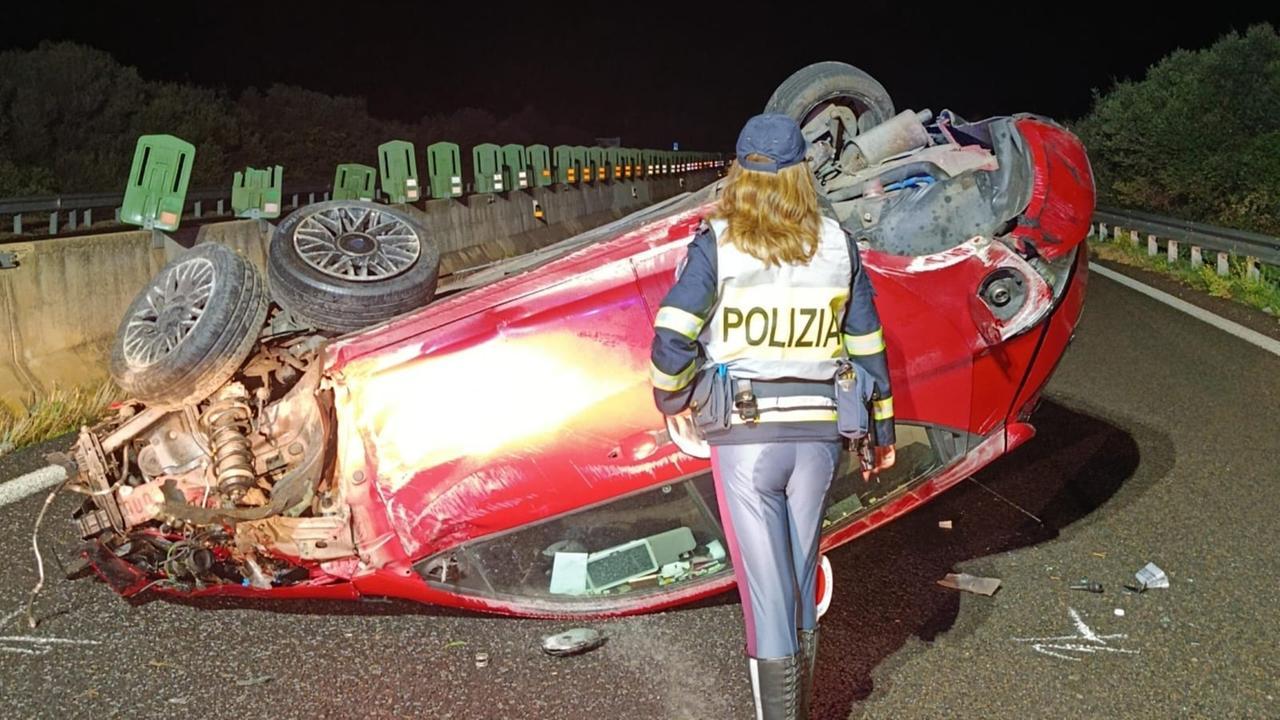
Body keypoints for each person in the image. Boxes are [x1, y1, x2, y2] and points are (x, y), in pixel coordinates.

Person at [648, 113, 896, 720]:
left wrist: (672, 401)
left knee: (766, 594)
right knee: (799, 574)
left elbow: (672, 335)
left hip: (743, 438)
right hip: (818, 438)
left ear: (739, 172)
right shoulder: (838, 245)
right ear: (801, 175)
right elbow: (867, 345)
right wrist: (881, 432)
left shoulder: (716, 243)